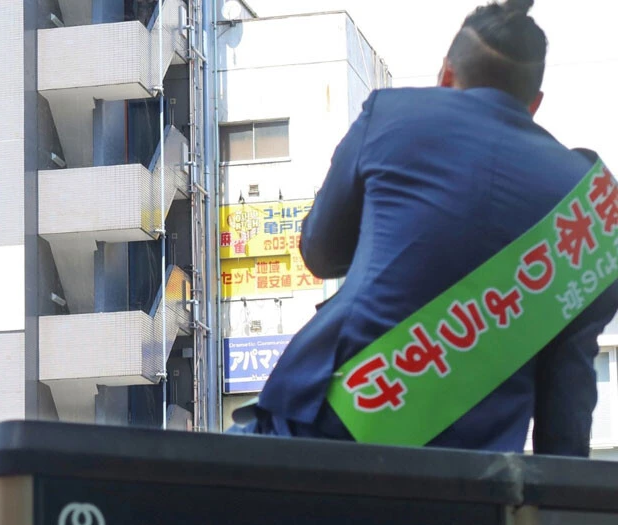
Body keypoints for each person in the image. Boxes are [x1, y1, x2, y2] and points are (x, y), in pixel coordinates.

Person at [231, 0, 618, 455]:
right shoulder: (587, 206)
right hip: (474, 472)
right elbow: (565, 407)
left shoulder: (390, 114)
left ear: (447, 75)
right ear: (534, 104)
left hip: (325, 428)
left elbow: (320, 252)